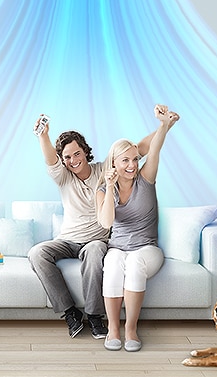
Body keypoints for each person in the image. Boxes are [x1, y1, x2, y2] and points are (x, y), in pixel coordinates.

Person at [28, 113, 161, 339]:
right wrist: (43, 135)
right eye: (67, 157)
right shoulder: (63, 177)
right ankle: (70, 313)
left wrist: (164, 127)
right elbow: (50, 159)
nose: (73, 160)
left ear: (85, 152)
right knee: (36, 253)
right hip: (67, 240)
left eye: (77, 153)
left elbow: (138, 149)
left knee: (95, 251)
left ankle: (95, 316)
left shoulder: (104, 170)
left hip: (96, 241)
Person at [96, 104, 179, 352]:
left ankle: (131, 328)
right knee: (112, 264)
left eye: (134, 159)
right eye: (125, 161)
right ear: (114, 163)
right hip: (118, 248)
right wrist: (110, 188)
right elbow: (107, 223)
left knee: (134, 264)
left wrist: (164, 125)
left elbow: (154, 150)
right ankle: (113, 327)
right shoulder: (103, 191)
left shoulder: (146, 179)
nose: (132, 165)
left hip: (147, 249)